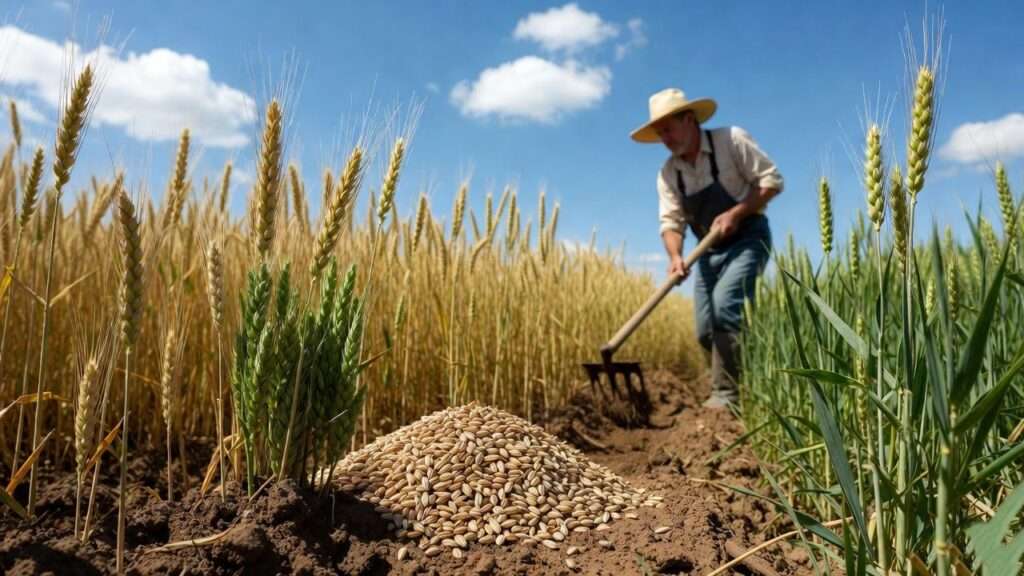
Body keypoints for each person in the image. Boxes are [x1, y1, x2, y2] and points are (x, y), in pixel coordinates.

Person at [631, 88, 783, 409]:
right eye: (659, 134)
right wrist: (675, 257)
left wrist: (736, 213)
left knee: (725, 307)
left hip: (747, 237)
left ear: (689, 120)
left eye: (668, 129)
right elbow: (671, 223)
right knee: (704, 330)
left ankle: (726, 397)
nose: (665, 139)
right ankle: (747, 374)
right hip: (706, 251)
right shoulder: (669, 173)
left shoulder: (731, 141)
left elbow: (771, 181)